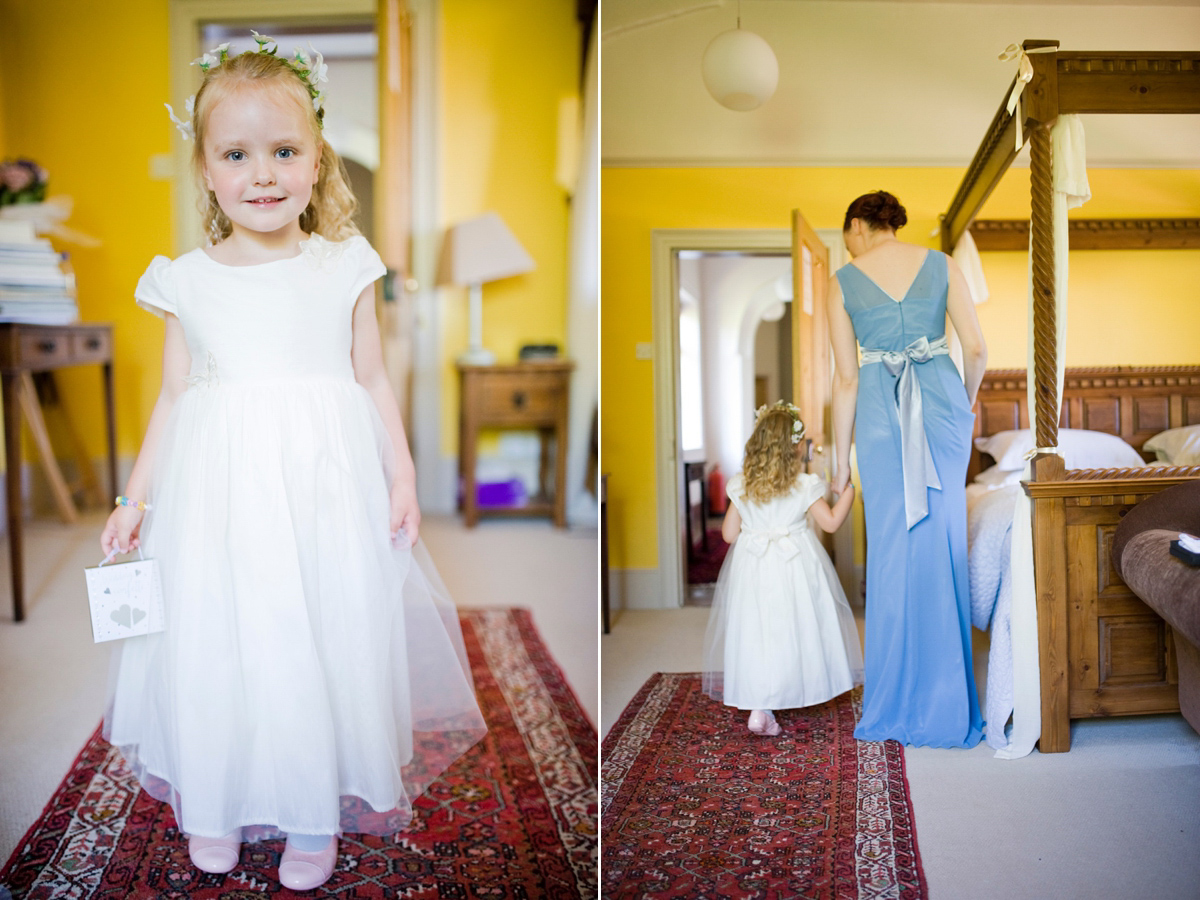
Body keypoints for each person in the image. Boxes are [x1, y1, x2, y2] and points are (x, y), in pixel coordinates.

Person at [99, 38, 486, 891]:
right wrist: (134, 497)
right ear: (205, 169)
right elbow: (173, 397)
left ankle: (313, 811)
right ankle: (215, 800)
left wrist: (403, 475)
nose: (262, 174)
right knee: (219, 636)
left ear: (318, 163)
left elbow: (372, 376)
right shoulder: (185, 281)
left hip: (320, 483)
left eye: (285, 151)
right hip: (219, 492)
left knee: (318, 633)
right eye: (236, 154)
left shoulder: (344, 265)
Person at [828, 190, 988, 748]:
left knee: (893, 547)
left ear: (857, 226)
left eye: (846, 233)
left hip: (877, 411)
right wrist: (961, 408)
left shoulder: (843, 280)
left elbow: (846, 381)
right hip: (943, 405)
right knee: (942, 541)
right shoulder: (942, 265)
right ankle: (948, 701)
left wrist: (837, 465)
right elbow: (976, 349)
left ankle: (895, 698)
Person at [701, 402, 864, 736]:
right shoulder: (803, 485)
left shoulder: (741, 484)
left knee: (757, 628)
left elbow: (729, 534)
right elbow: (831, 523)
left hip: (754, 563)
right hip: (794, 563)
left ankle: (760, 706)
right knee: (796, 623)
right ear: (794, 447)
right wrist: (848, 490)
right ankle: (796, 683)